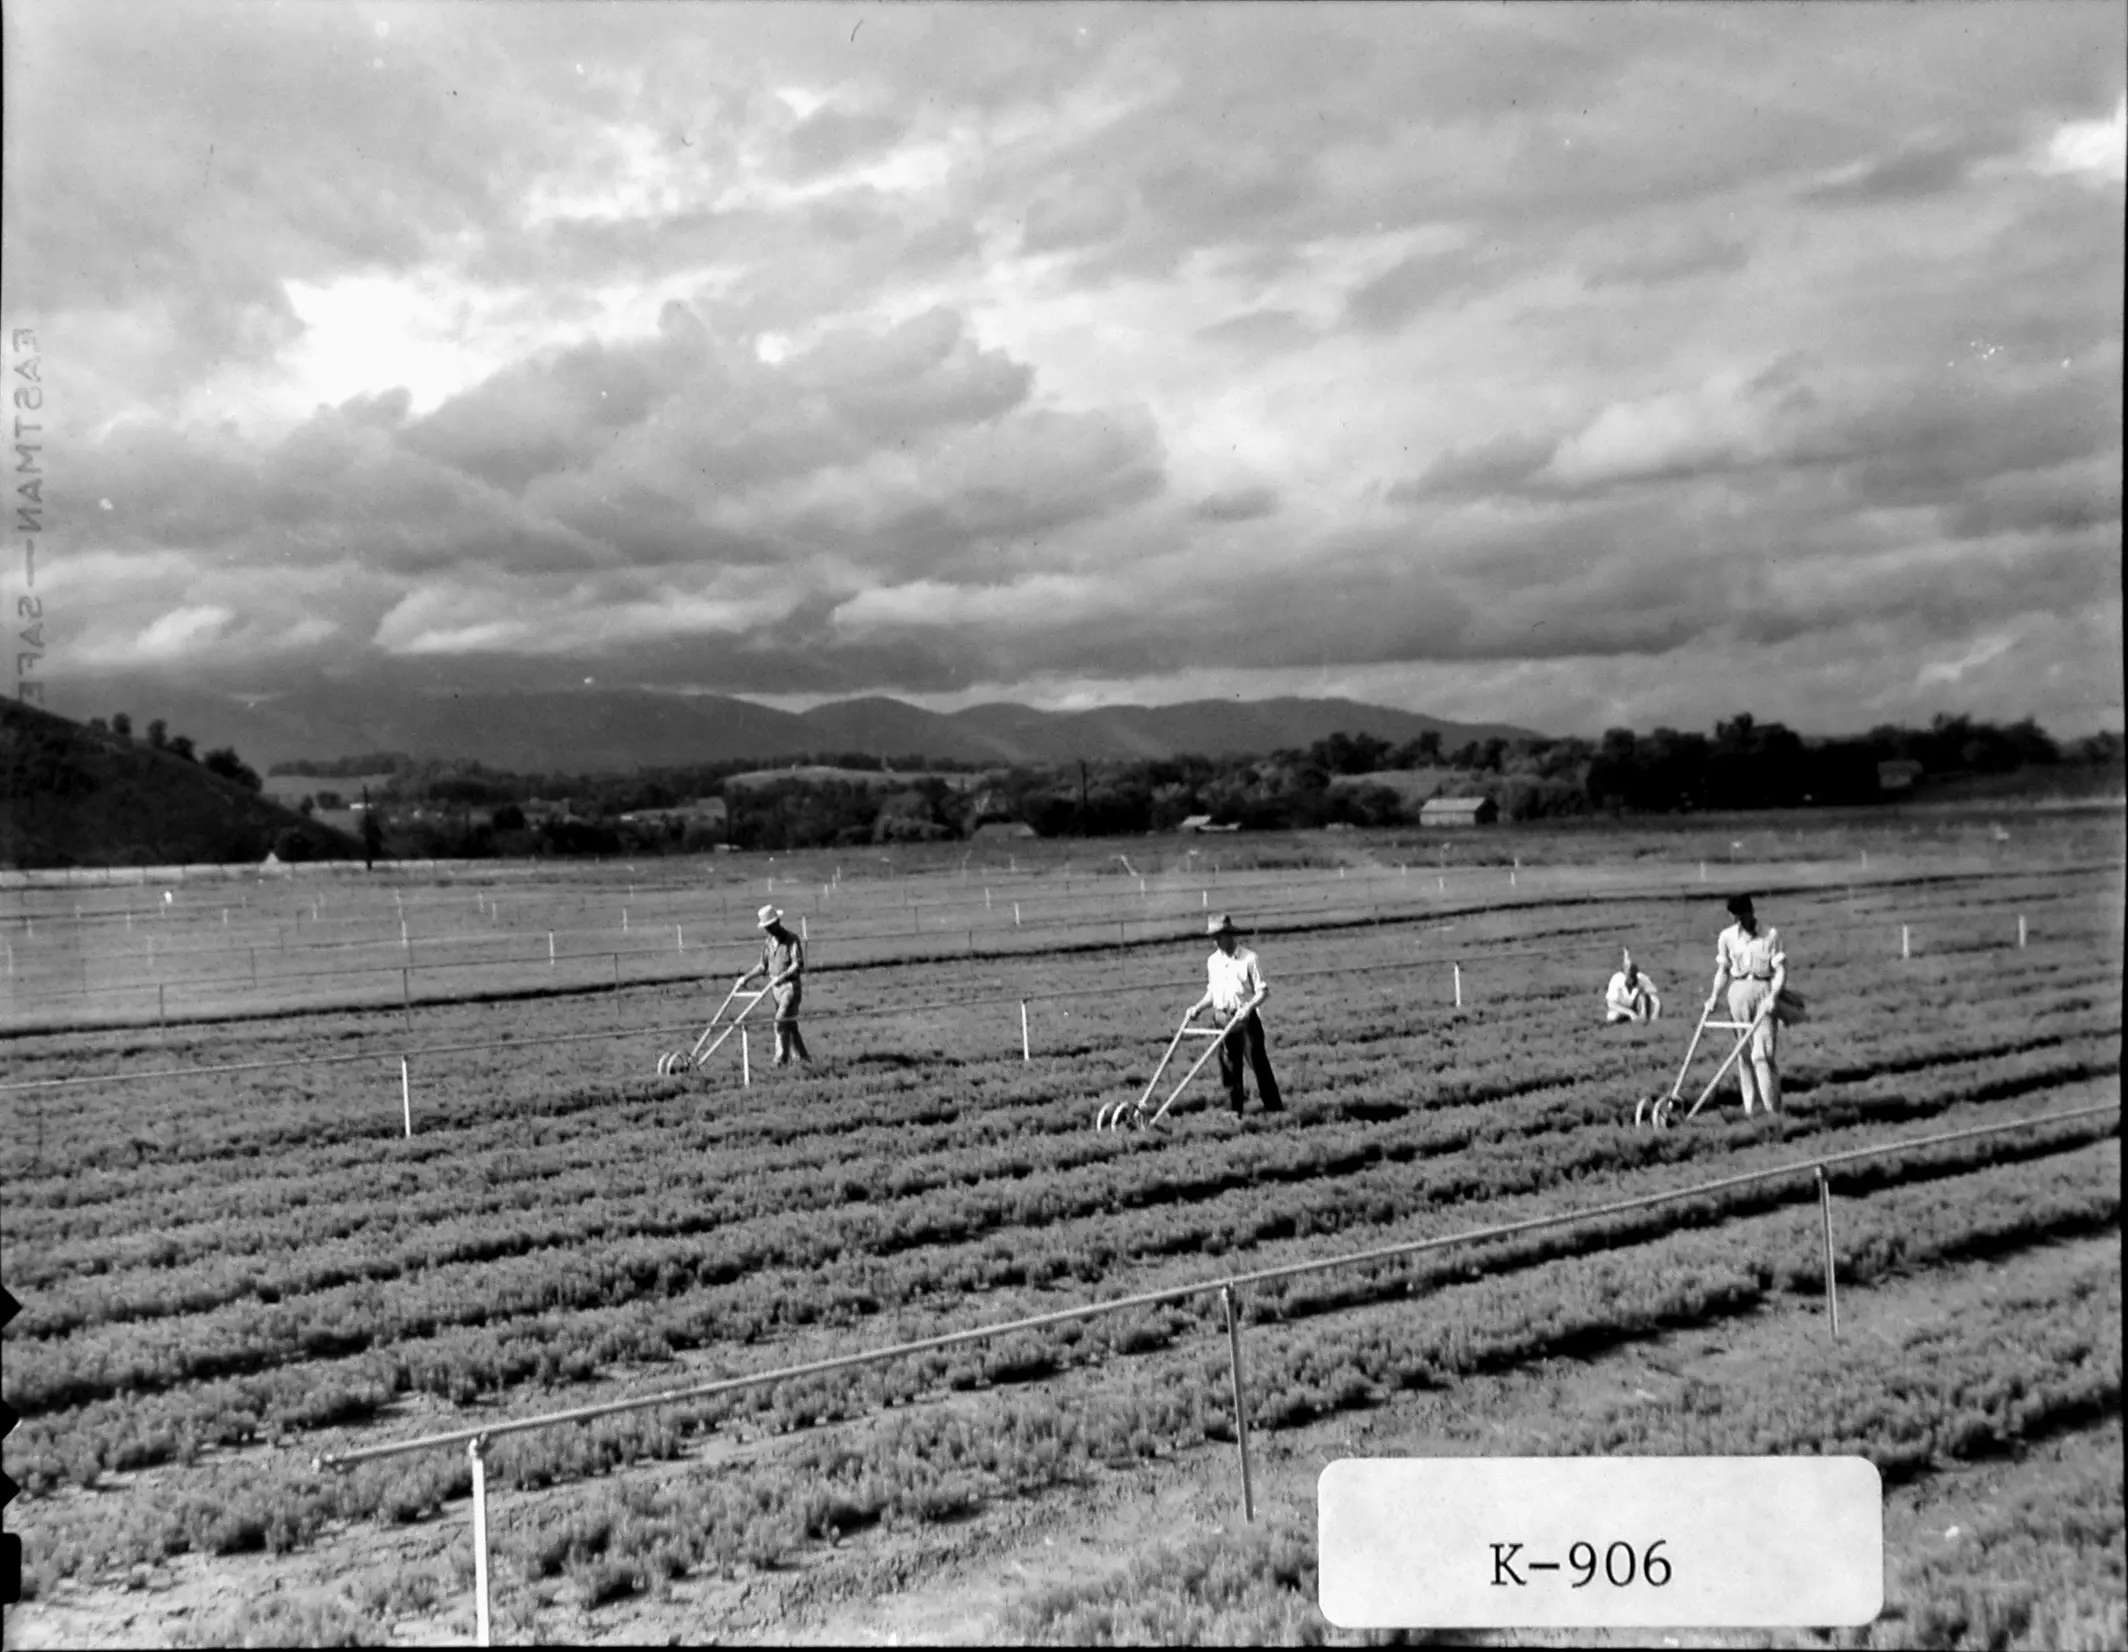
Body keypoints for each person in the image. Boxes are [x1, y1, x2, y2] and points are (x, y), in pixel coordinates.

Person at [1186, 913, 1284, 1119]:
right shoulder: (1213, 961)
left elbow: (1263, 991)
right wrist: (1197, 1008)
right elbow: (1212, 993)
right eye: (1213, 937)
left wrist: (1248, 1008)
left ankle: (1274, 1109)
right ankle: (1234, 1109)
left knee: (1258, 1064)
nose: (1215, 941)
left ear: (1230, 935)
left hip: (1245, 1020)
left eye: (1219, 937)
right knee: (1229, 1066)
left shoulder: (1249, 959)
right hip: (1221, 1018)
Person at [1706, 893, 1785, 1117]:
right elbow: (1723, 970)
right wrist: (1714, 996)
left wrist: (1773, 996)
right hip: (1737, 993)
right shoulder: (1727, 937)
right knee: (1743, 1055)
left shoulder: (1770, 935)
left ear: (1751, 912)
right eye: (1734, 917)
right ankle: (1752, 1110)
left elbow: (1780, 970)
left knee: (1762, 1055)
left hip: (1763, 992)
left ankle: (1773, 1111)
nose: (1738, 922)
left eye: (1741, 916)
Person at [737, 905, 810, 1066]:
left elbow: (797, 964)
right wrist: (746, 978)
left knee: (779, 1021)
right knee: (789, 1024)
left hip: (790, 987)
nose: (768, 930)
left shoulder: (792, 939)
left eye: (770, 926)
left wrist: (781, 976)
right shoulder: (769, 942)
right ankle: (804, 1059)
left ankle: (780, 1059)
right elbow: (762, 966)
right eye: (766, 927)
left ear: (777, 922)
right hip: (775, 989)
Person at [1604, 952, 1662, 1024]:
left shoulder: (1641, 978)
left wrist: (1655, 1014)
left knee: (1652, 998)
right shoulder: (1617, 979)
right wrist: (1630, 1013)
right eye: (1629, 976)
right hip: (1621, 1008)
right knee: (1611, 1018)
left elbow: (1654, 993)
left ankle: (1648, 1020)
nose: (1631, 980)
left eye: (1633, 976)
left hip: (1636, 1007)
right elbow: (1611, 1004)